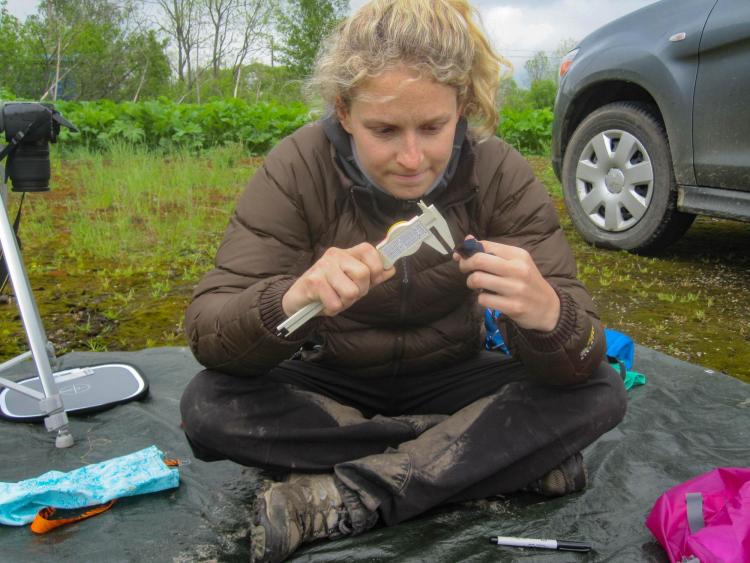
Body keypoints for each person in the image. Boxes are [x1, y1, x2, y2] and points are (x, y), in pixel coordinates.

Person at [179, 0, 627, 561]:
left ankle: (347, 494)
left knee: (600, 390)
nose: (413, 158)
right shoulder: (298, 167)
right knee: (207, 404)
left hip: (452, 373)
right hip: (335, 381)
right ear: (344, 110)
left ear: (461, 105)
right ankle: (468, 451)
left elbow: (580, 351)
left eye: (433, 127)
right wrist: (288, 301)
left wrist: (547, 316)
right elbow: (209, 330)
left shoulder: (497, 171)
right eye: (385, 130)